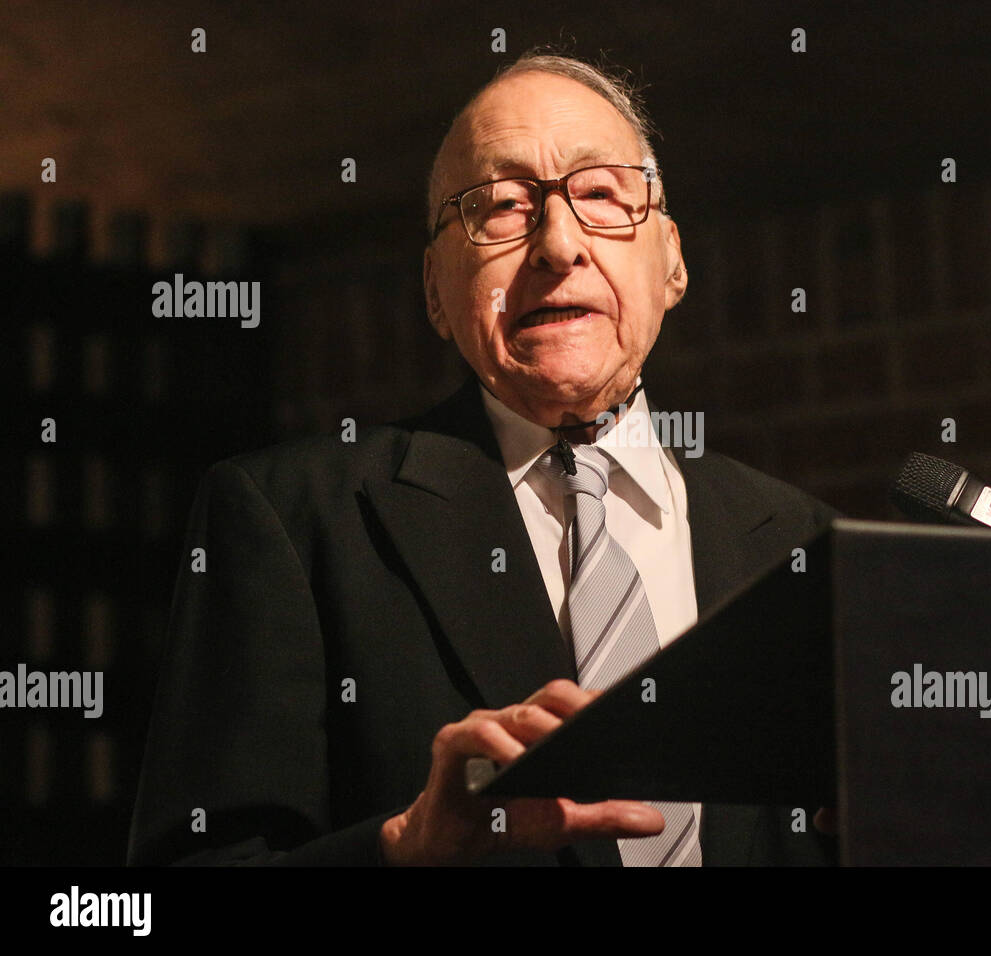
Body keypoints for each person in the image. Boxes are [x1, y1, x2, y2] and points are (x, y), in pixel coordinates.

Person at [127, 53, 837, 867]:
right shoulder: (292, 517)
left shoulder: (796, 539)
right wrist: (403, 849)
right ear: (434, 289)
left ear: (671, 260)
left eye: (601, 195)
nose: (558, 243)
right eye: (502, 207)